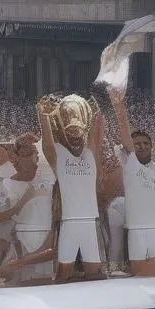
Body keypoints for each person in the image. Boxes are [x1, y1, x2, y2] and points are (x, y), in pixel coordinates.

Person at [37, 97, 105, 282]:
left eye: (78, 129)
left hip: (90, 222)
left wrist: (96, 111)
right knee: (62, 275)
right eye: (70, 130)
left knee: (94, 274)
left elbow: (97, 133)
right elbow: (47, 143)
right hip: (69, 222)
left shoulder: (91, 154)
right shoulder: (59, 154)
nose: (75, 133)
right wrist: (43, 115)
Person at [110, 90, 155, 276]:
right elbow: (124, 133)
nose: (142, 146)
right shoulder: (130, 166)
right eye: (137, 144)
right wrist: (119, 107)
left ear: (151, 146)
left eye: (146, 143)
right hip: (137, 230)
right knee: (139, 277)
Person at [0, 134, 56, 284]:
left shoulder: (50, 183)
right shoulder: (5, 185)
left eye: (35, 152)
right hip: (18, 246)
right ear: (16, 157)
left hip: (45, 245)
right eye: (26, 153)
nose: (33, 157)